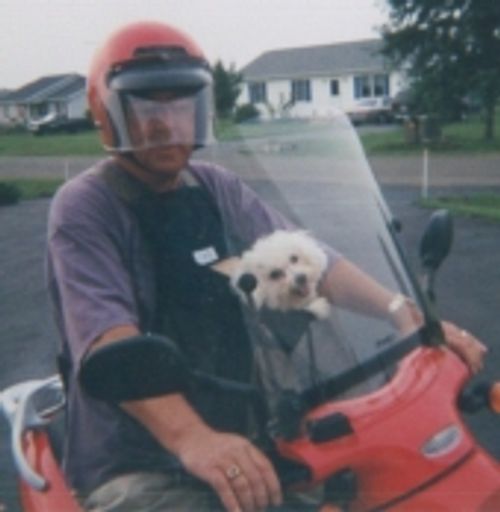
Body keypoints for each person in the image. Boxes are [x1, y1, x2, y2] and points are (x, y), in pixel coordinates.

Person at [46, 21, 487, 512]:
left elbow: (314, 260)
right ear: (107, 113)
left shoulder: (213, 186)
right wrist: (195, 440)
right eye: (144, 106)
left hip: (239, 430)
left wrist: (401, 312)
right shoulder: (85, 206)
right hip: (139, 459)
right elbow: (110, 339)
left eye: (179, 105)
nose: (165, 122)